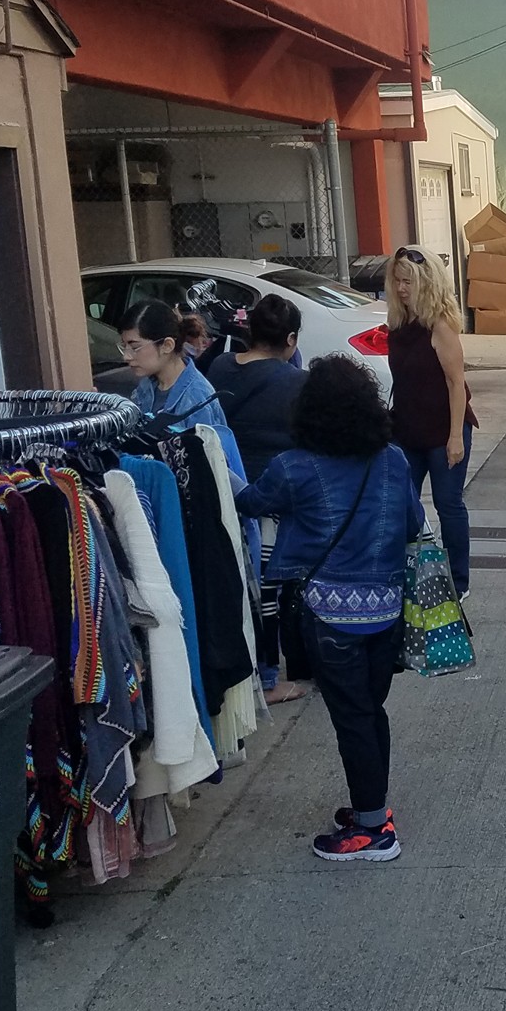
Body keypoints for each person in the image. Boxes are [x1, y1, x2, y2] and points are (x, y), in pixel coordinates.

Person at [236, 357, 425, 862]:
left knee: (353, 719)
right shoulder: (394, 460)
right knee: (369, 711)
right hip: (386, 610)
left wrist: (219, 465)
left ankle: (373, 834)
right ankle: (375, 810)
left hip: (328, 614)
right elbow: (413, 524)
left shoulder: (294, 467)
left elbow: (250, 502)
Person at [207, 293, 310, 703]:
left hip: (223, 486)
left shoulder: (219, 366)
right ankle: (268, 678)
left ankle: (251, 670)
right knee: (269, 590)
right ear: (290, 338)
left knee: (238, 584)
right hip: (271, 498)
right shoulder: (295, 382)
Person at [385, 245, 476, 599]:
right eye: (398, 281)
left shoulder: (440, 326)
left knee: (448, 503)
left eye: (409, 281)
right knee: (400, 500)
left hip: (443, 428)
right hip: (408, 428)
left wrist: (456, 437)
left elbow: (457, 385)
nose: (403, 288)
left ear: (426, 282)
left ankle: (458, 580)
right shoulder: (398, 325)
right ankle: (408, 568)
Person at [120, 299, 243, 481]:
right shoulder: (147, 385)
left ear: (167, 345)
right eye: (124, 346)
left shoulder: (197, 398)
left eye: (135, 347)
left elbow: (209, 473)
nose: (126, 356)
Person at [205, 294, 305, 482]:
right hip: (276, 486)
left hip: (227, 479)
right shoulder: (300, 382)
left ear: (251, 330)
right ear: (291, 338)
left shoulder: (220, 365)